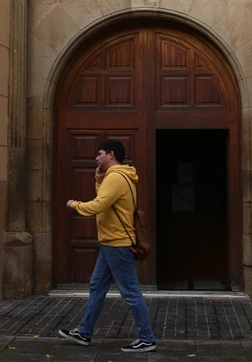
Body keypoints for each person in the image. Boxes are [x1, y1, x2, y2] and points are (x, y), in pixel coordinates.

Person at [58, 140, 157, 353]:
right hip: (111, 243)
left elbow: (98, 205)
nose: (96, 158)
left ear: (110, 155)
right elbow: (105, 199)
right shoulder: (120, 176)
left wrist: (74, 205)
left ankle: (147, 338)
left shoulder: (116, 177)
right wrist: (98, 179)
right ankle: (84, 332)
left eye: (99, 154)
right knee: (97, 286)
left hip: (117, 244)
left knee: (130, 292)